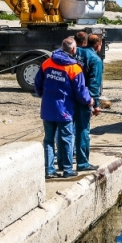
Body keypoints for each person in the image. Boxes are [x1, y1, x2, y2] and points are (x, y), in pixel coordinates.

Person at [34, 37, 93, 178]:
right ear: (73, 49)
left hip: (48, 108)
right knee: (66, 138)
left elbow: (37, 83)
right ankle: (67, 170)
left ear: (62, 47)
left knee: (48, 140)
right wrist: (89, 101)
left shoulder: (47, 63)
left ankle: (49, 170)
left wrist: (43, 95)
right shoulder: (74, 68)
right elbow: (81, 91)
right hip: (64, 110)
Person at [73, 32, 103, 172]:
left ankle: (63, 162)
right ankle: (82, 163)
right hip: (84, 99)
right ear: (98, 45)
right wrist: (95, 104)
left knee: (65, 130)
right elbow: (94, 84)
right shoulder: (95, 60)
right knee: (83, 131)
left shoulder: (74, 52)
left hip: (69, 97)